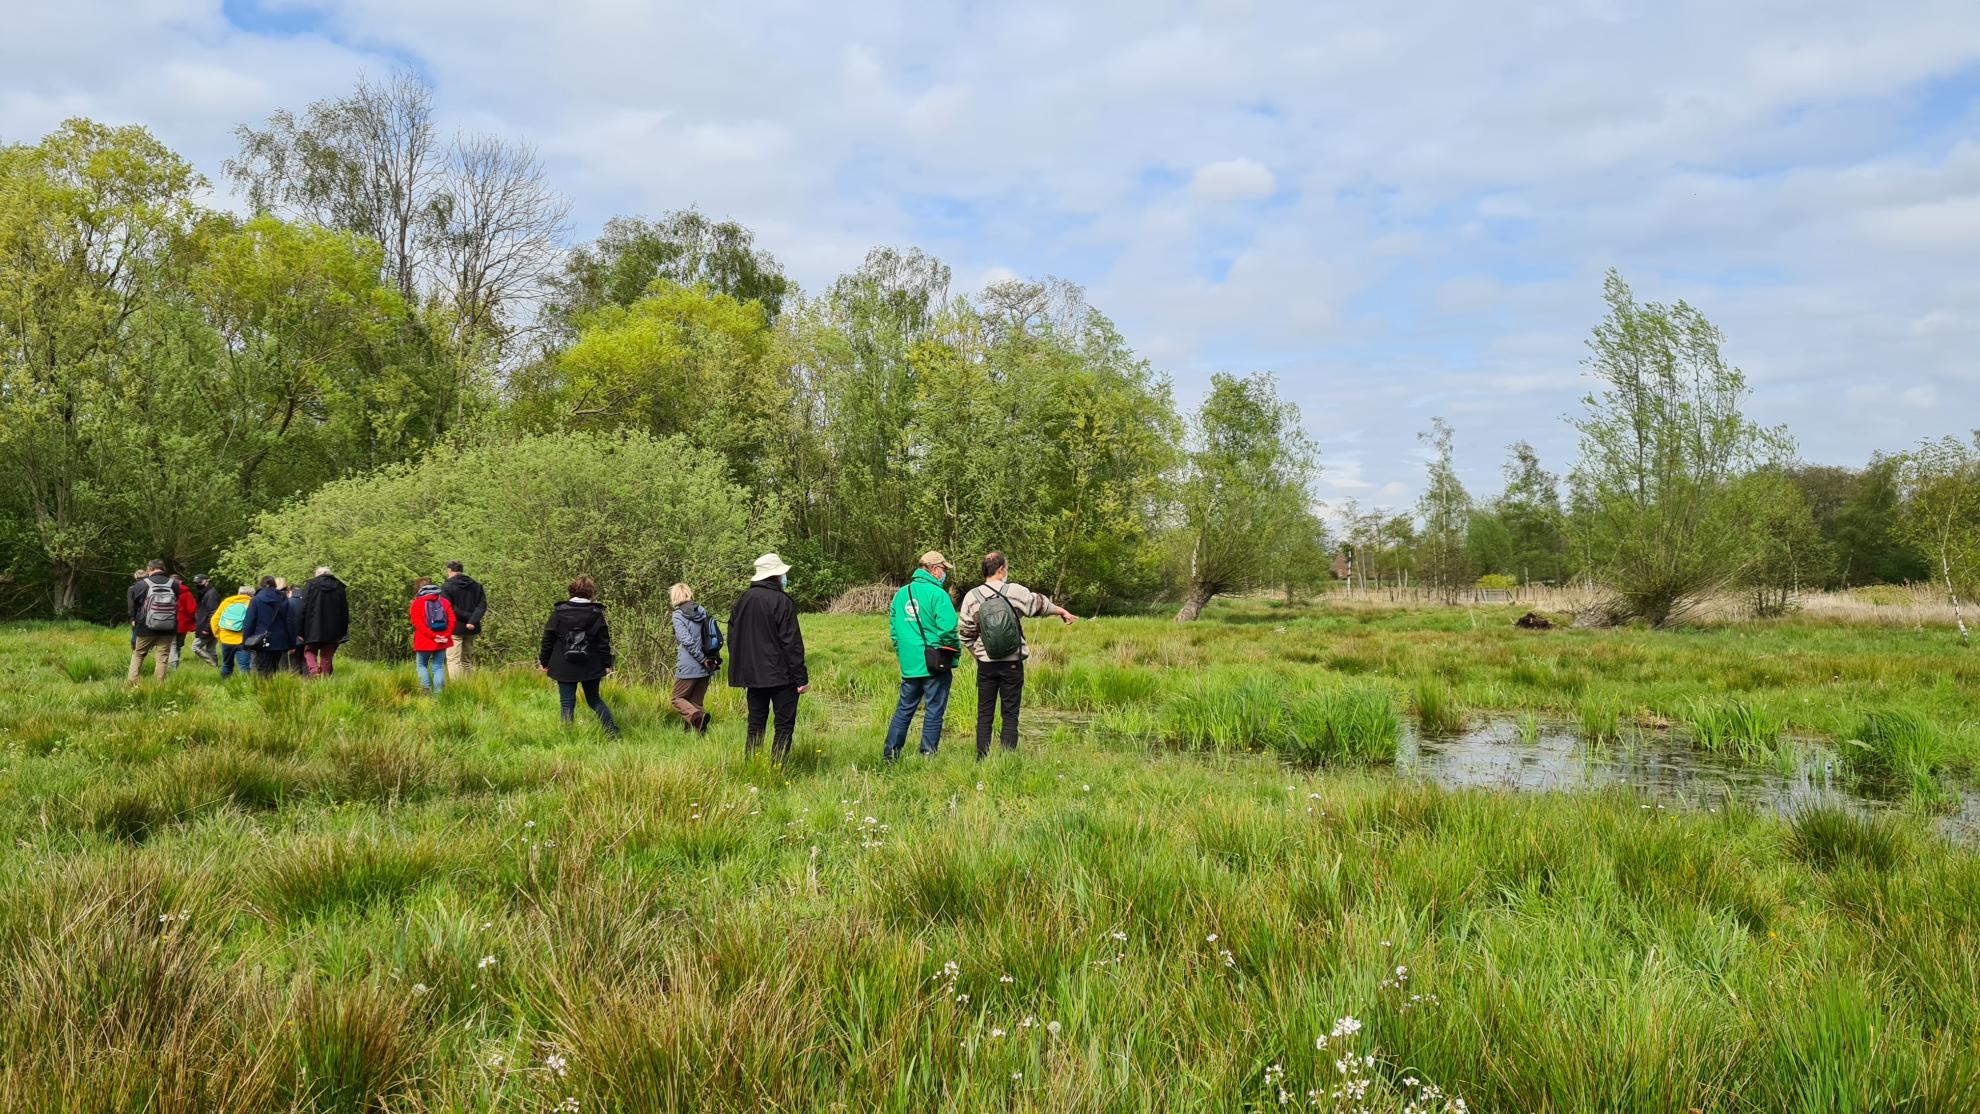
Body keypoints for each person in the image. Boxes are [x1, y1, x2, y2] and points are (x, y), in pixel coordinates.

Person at [957, 551, 1080, 758]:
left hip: (986, 665)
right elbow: (1040, 605)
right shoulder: (1014, 591)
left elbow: (965, 635)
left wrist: (978, 657)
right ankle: (1007, 758)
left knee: (984, 713)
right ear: (1001, 569)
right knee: (1010, 713)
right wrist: (1062, 612)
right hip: (1012, 663)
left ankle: (981, 758)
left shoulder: (972, 596)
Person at [727, 553, 808, 763]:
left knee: (755, 723)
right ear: (775, 576)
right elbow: (792, 643)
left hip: (753, 677)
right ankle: (777, 768)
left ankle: (752, 766)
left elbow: (733, 639)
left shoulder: (741, 601)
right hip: (782, 676)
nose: (784, 578)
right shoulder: (782, 602)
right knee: (783, 725)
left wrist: (742, 669)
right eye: (782, 575)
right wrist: (801, 678)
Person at [882, 551, 962, 761]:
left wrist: (904, 654)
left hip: (910, 665)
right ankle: (928, 755)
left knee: (904, 709)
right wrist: (953, 653)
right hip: (935, 663)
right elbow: (948, 630)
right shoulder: (938, 594)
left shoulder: (901, 594)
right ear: (934, 570)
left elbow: (894, 631)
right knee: (934, 710)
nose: (944, 574)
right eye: (943, 569)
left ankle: (890, 755)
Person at [538, 575, 620, 736]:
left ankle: (568, 737)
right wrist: (607, 663)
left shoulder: (558, 613)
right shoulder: (596, 614)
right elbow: (603, 642)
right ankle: (612, 732)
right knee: (594, 700)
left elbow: (547, 639)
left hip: (563, 664)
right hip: (590, 664)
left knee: (567, 703)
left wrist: (544, 661)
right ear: (591, 593)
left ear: (571, 591)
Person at [669, 583, 718, 733]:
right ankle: (696, 736)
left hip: (689, 665)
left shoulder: (678, 615)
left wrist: (700, 658)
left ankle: (697, 718)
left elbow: (687, 641)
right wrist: (706, 660)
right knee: (695, 702)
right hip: (706, 665)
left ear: (674, 596)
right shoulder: (702, 611)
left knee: (677, 698)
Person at [126, 561, 179, 683]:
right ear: (163, 569)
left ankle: (132, 684)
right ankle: (158, 687)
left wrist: (133, 619)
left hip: (146, 627)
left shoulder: (141, 585)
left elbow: (134, 605)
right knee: (162, 658)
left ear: (150, 569)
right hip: (168, 626)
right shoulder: (174, 585)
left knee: (138, 654)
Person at [298, 566, 351, 677]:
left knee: (309, 651)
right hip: (333, 630)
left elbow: (302, 609)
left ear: (318, 574)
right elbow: (344, 612)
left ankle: (314, 671)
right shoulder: (339, 587)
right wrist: (342, 632)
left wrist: (299, 631)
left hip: (312, 628)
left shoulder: (311, 585)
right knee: (327, 656)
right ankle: (325, 681)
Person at [408, 577, 456, 695]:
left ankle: (425, 692)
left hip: (424, 640)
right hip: (442, 640)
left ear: (419, 589)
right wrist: (445, 635)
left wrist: (432, 636)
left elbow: (417, 623)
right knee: (438, 667)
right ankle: (438, 695)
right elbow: (452, 620)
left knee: (421, 665)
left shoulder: (417, 603)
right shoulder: (444, 602)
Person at [441, 560, 488, 680]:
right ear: (462, 570)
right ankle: (468, 686)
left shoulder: (447, 586)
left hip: (455, 627)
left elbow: (448, 607)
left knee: (453, 659)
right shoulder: (476, 585)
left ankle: (457, 688)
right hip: (471, 628)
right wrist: (472, 620)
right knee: (466, 659)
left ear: (450, 570)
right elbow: (482, 605)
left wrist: (467, 617)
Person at [241, 575, 295, 678]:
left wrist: (245, 643)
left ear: (261, 585)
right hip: (280, 640)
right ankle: (271, 690)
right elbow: (290, 622)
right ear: (275, 585)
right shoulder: (283, 599)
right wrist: (292, 643)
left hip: (261, 640)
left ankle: (264, 691)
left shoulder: (256, 600)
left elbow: (249, 622)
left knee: (262, 669)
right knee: (274, 668)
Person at [212, 584, 252, 678]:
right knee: (244, 667)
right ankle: (245, 689)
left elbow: (214, 621)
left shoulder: (227, 602)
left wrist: (219, 636)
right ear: (251, 595)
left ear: (239, 593)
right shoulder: (252, 603)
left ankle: (224, 687)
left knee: (226, 665)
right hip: (243, 641)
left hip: (226, 639)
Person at [190, 574, 221, 666]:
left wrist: (207, 628)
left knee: (195, 647)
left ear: (206, 581)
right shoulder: (205, 593)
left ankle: (213, 664)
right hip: (210, 626)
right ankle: (215, 668)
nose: (198, 585)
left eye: (200, 582)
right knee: (211, 649)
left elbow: (213, 612)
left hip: (209, 627)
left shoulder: (211, 594)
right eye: (196, 583)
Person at [169, 574, 197, 672]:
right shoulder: (186, 593)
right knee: (178, 645)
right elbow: (192, 609)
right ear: (180, 581)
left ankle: (173, 667)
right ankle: (175, 666)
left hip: (167, 622)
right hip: (182, 624)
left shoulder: (166, 591)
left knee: (172, 645)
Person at [280, 580, 307, 675]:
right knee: (305, 658)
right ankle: (308, 680)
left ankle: (294, 679)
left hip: (293, 636)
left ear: (290, 591)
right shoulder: (308, 602)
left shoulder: (288, 602)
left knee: (293, 659)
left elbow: (288, 621)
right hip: (307, 636)